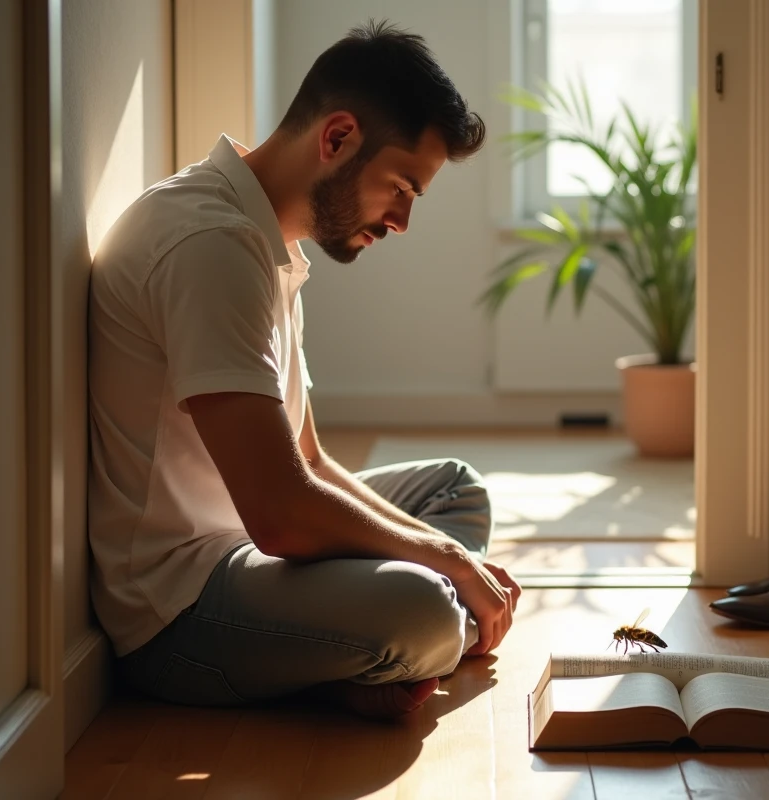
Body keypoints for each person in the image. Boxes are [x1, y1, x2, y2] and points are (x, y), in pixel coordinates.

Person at [87, 20, 520, 719]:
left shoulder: (265, 243)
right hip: (183, 606)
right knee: (427, 608)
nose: (403, 220)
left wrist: (444, 549)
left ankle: (360, 658)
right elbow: (282, 518)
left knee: (455, 492)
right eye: (402, 186)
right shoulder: (212, 245)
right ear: (338, 138)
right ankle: (376, 653)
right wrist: (446, 565)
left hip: (251, 545)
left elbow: (310, 461)